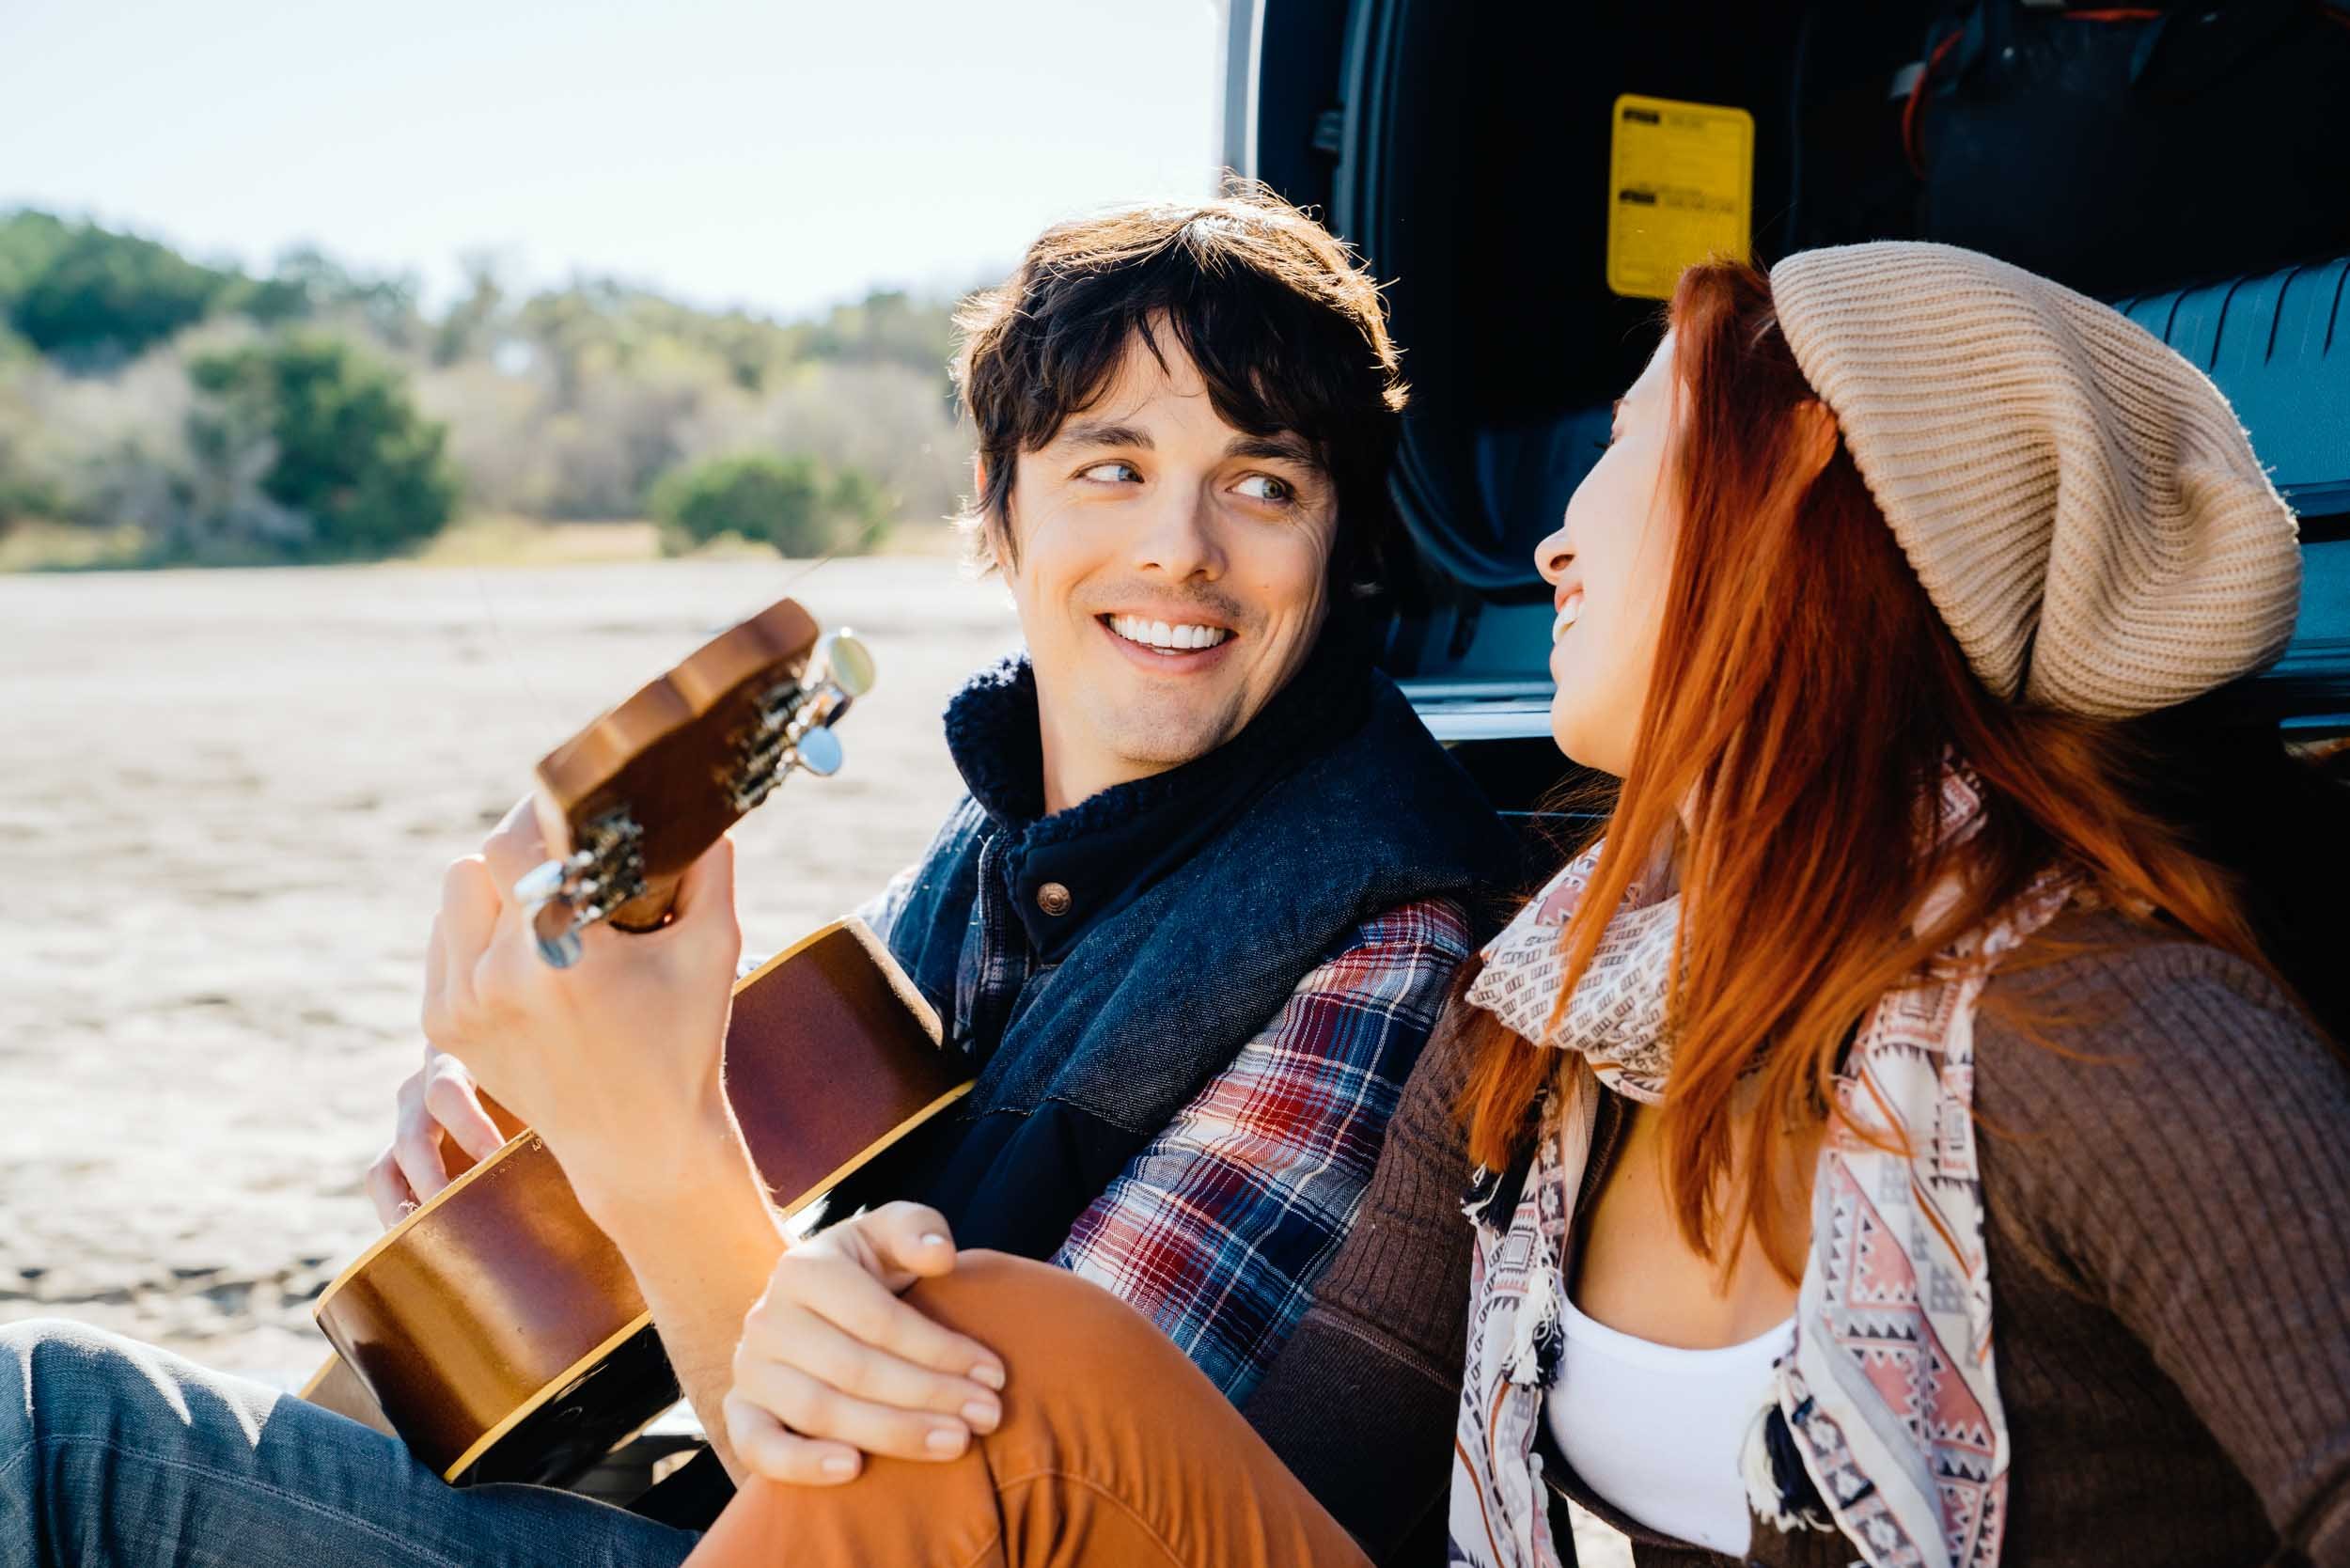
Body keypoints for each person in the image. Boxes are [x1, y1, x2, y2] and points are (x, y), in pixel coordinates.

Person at [679, 243, 2350, 1568]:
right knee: (986, 1354)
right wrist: (847, 1329)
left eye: (1630, 447)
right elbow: (1269, 1475)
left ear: (1801, 502)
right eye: (1108, 471)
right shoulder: (1553, 1008)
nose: (1554, 544)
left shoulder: (2120, 1046)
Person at [0, 187, 1522, 1565]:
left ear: (1341, 542)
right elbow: (748, 1174)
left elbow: (987, 1490)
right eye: (1111, 466)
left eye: (1262, 486)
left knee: (49, 1429)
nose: (1179, 549)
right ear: (999, 508)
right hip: (741, 1497)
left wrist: (647, 1144)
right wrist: (546, 1131)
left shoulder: (1383, 931)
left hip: (860, 1527)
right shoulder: (1010, 836)